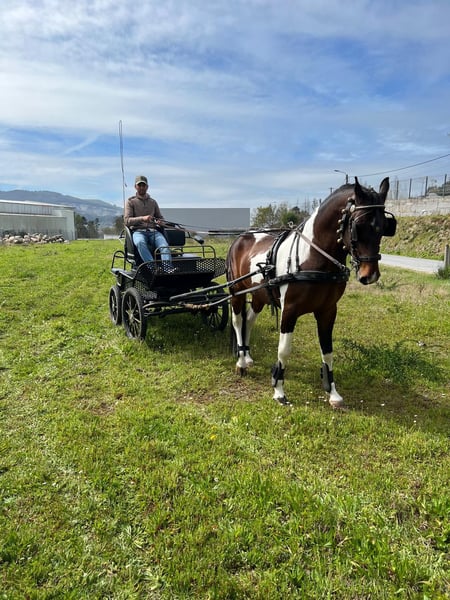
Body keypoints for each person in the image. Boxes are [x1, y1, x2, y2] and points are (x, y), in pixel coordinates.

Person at [124, 175, 174, 269]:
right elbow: (127, 221)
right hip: (138, 232)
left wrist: (160, 222)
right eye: (139, 185)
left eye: (144, 185)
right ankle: (153, 268)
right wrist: (142, 218)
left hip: (154, 232)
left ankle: (168, 269)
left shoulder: (153, 202)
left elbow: (160, 218)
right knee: (140, 242)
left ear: (147, 187)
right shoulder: (131, 202)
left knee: (164, 246)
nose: (142, 187)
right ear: (135, 187)